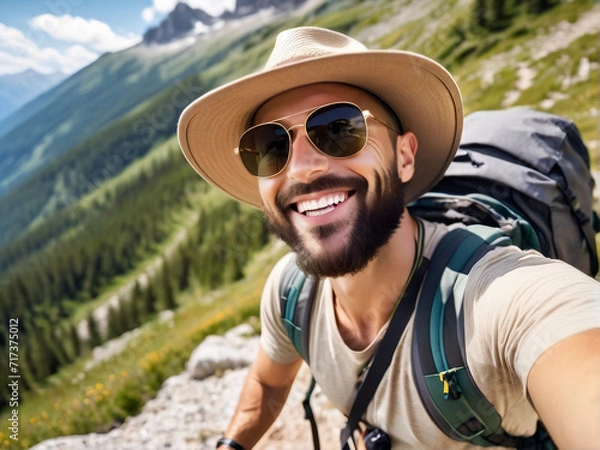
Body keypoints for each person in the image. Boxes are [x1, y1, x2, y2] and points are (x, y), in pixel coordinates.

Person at [178, 26, 600, 449]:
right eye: (270, 145)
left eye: (338, 128)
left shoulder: (495, 296)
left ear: (404, 156)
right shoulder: (290, 292)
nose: (301, 167)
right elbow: (267, 386)